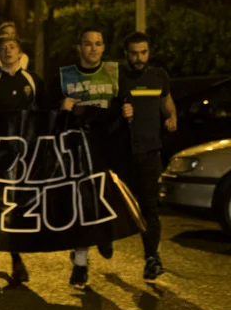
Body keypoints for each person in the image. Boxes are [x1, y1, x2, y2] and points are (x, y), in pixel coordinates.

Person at [0, 35, 46, 284]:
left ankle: (26, 247)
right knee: (5, 203)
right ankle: (15, 258)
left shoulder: (33, 80)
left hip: (29, 153)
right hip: (2, 154)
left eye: (12, 47)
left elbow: (48, 112)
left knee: (25, 202)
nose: (8, 51)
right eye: (3, 48)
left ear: (20, 52)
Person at [52, 28, 120, 287]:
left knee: (105, 200)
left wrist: (127, 110)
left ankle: (105, 234)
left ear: (104, 47)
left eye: (98, 44)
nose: (93, 48)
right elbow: (46, 109)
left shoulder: (114, 73)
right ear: (79, 47)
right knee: (82, 206)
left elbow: (123, 105)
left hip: (106, 149)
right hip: (76, 151)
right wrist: (61, 108)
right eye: (88, 44)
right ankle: (80, 263)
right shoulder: (65, 76)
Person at [118, 32, 175, 281]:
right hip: (123, 153)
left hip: (150, 152)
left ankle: (152, 258)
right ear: (126, 54)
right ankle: (95, 245)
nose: (139, 58)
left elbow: (167, 101)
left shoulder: (159, 75)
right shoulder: (117, 76)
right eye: (134, 53)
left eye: (143, 52)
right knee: (117, 205)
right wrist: (119, 112)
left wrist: (172, 117)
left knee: (150, 207)